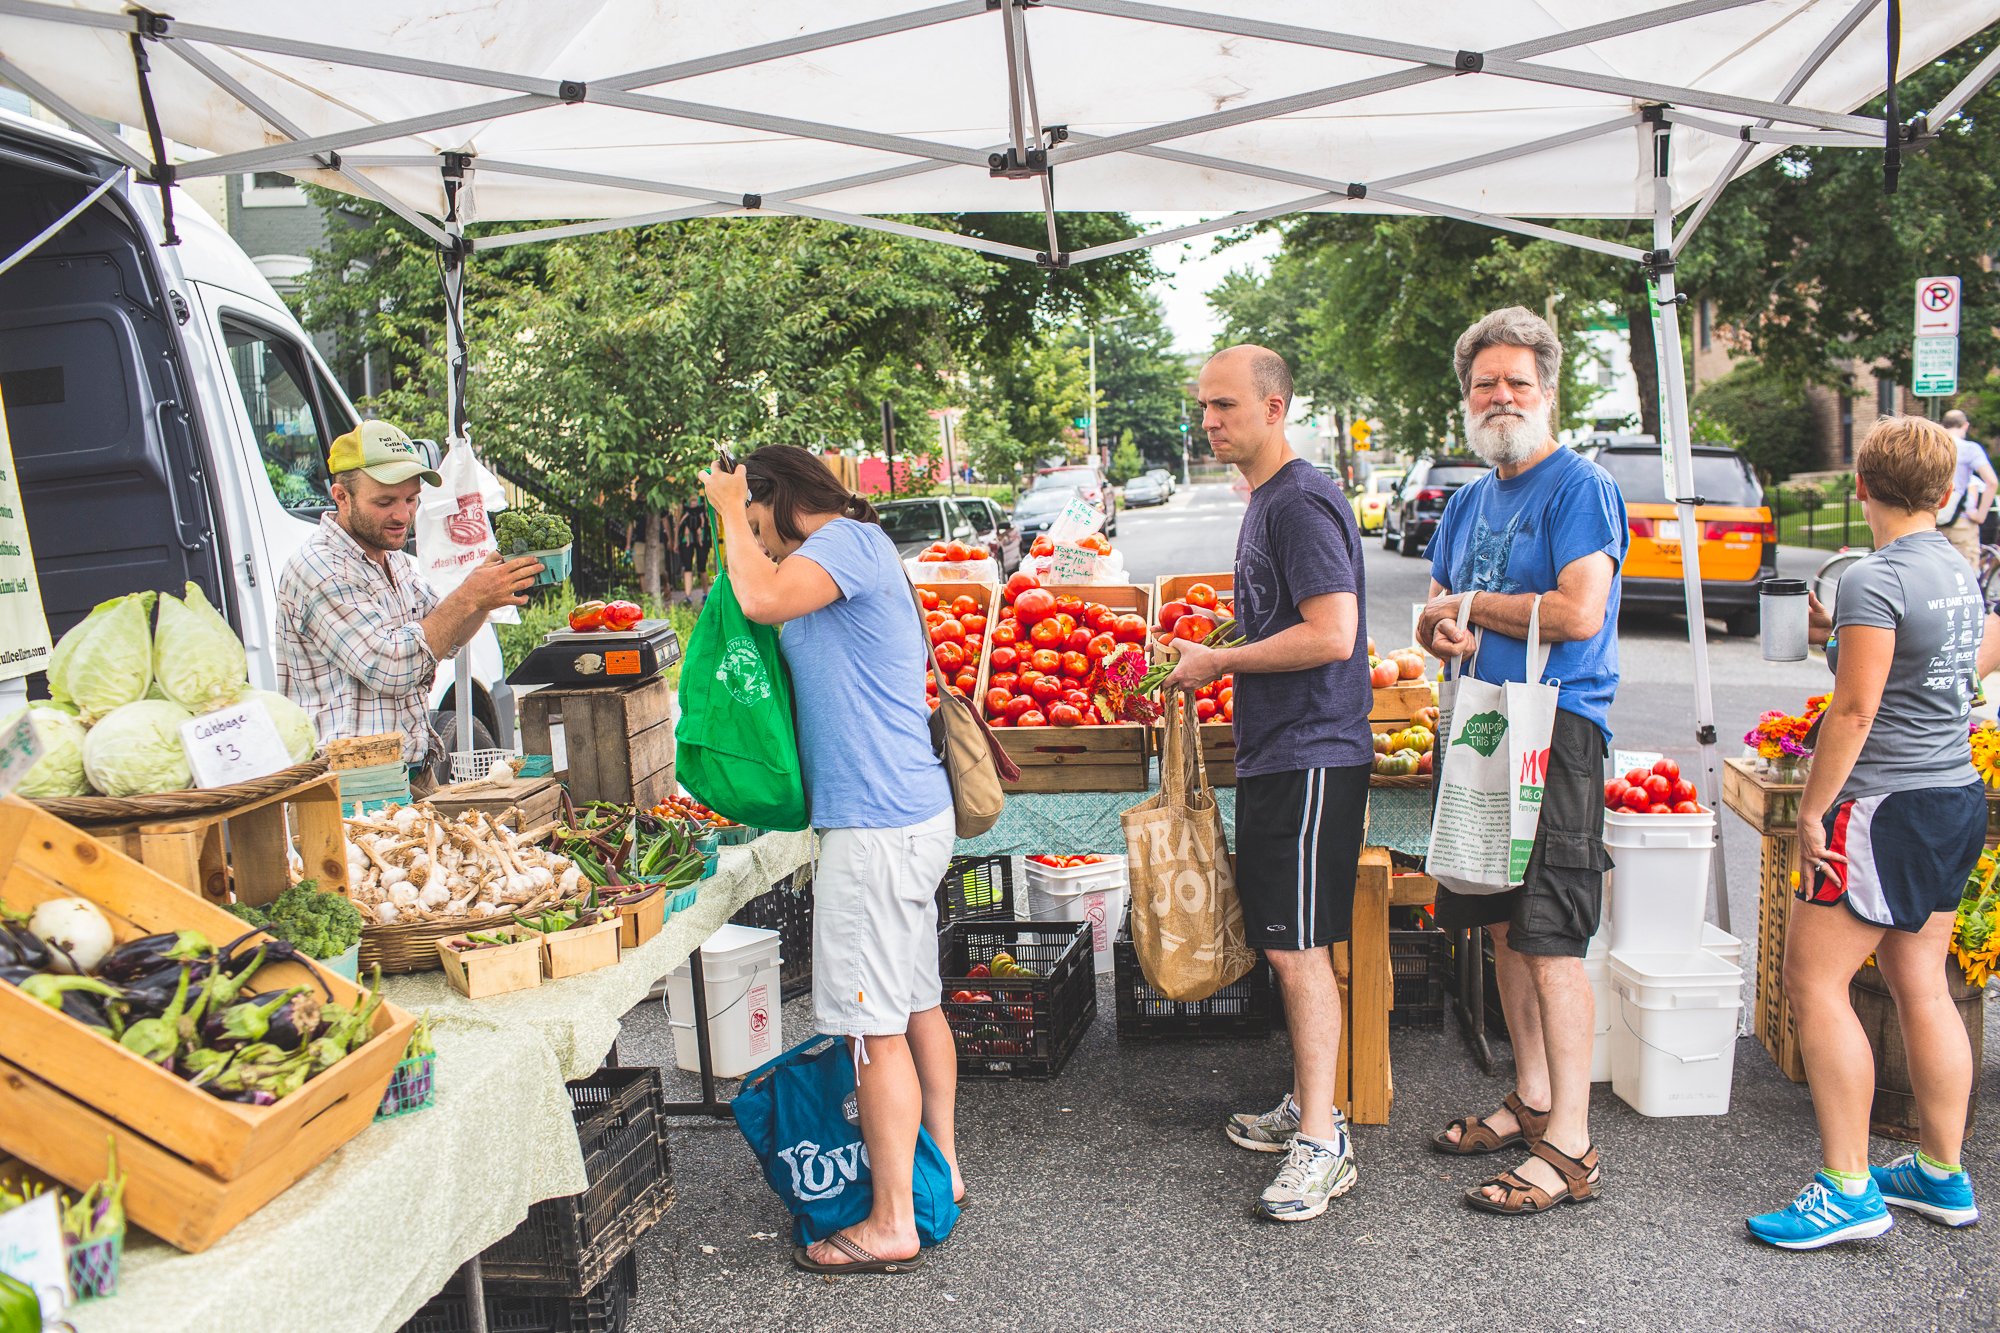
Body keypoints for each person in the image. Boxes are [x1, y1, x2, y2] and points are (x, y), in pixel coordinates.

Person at [698, 444, 959, 1274]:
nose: (764, 545)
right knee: (914, 1005)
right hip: (904, 816)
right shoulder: (855, 549)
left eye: (763, 523)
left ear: (778, 500)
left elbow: (764, 595)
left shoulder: (840, 543)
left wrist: (732, 511)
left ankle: (891, 1221)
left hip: (876, 832)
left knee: (871, 1031)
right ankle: (937, 1176)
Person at [1747, 416, 1985, 1249]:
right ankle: (1941, 1172)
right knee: (1921, 980)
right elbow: (1962, 658)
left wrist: (1814, 808)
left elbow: (1854, 708)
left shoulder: (1876, 577)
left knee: (1813, 983)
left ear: (1860, 486)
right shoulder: (1957, 569)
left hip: (1883, 807)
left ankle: (1849, 1185)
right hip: (1954, 794)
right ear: (1948, 489)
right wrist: (1842, 633)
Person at [1415, 306, 1627, 1215]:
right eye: (1484, 383)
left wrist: (1471, 600)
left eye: (1516, 381)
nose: (1500, 396)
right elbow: (1431, 613)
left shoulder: (1579, 486)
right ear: (1466, 397)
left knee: (1550, 937)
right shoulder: (1466, 500)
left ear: (1548, 391)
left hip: (1559, 728)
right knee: (1501, 925)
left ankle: (1572, 1143)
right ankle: (1533, 1095)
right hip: (1481, 727)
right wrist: (1442, 621)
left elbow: (1579, 612)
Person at [1163, 345, 1374, 1223]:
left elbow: (1333, 633)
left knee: (1297, 948)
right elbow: (1293, 618)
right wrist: (1230, 634)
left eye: (1224, 406)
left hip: (1313, 748)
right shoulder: (1267, 500)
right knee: (1295, 940)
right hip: (1283, 750)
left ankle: (1323, 1143)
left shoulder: (1296, 501)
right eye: (1204, 408)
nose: (1210, 421)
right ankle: (1309, 1101)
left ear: (1275, 406)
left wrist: (1220, 657)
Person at [276, 422, 541, 796]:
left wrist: (485, 596)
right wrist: (470, 596)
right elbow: (392, 666)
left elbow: (445, 637)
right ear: (341, 497)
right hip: (350, 790)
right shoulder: (321, 568)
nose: (402, 515)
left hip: (411, 774)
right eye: (385, 502)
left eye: (411, 499)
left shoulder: (393, 560)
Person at [1938, 409, 1995, 566]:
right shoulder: (1970, 449)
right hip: (1961, 521)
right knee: (1966, 575)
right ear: (1965, 426)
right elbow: (1991, 482)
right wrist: (1980, 515)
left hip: (1931, 521)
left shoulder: (1932, 445)